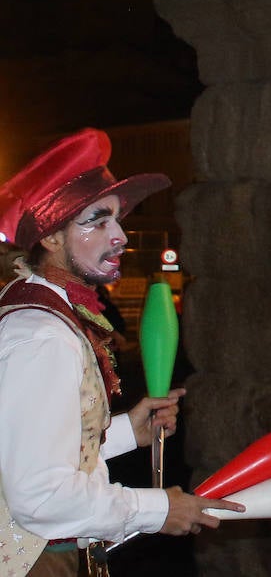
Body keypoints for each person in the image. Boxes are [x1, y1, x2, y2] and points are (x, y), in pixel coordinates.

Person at [0, 128, 242, 577]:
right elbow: (41, 495)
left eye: (118, 219)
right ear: (51, 237)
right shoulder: (42, 337)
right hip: (34, 562)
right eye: (98, 220)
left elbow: (37, 447)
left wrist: (128, 431)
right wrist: (157, 508)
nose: (120, 236)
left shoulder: (45, 310)